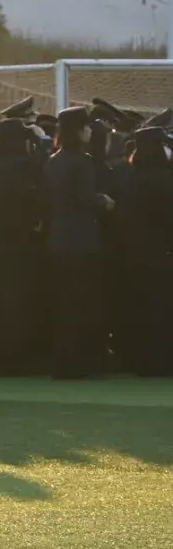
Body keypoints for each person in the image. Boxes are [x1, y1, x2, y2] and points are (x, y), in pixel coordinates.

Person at [44, 106, 114, 379]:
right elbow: (84, 199)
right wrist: (104, 201)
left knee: (64, 303)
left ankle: (64, 362)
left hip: (59, 239)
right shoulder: (82, 161)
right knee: (84, 303)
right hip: (82, 241)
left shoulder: (53, 160)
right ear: (79, 130)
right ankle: (86, 363)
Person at [0, 118, 46, 376]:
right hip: (13, 247)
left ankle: (6, 359)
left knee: (4, 306)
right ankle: (14, 360)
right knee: (15, 305)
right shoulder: (13, 169)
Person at [114, 127, 173, 376]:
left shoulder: (128, 178)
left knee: (139, 309)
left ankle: (139, 360)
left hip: (134, 254)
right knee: (161, 311)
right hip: (162, 255)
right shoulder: (165, 180)